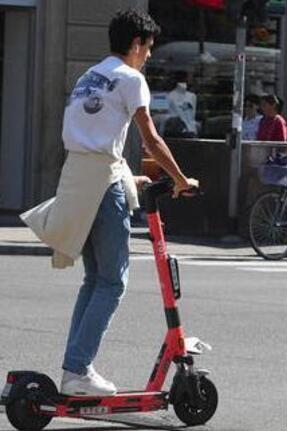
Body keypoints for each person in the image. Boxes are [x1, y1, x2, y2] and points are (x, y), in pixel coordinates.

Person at [20, 9, 199, 396]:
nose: (149, 56)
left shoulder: (89, 76)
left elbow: (89, 138)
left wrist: (126, 172)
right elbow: (151, 139)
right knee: (113, 282)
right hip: (103, 187)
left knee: (94, 279)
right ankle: (78, 370)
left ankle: (74, 368)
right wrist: (181, 180)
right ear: (136, 44)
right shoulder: (131, 79)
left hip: (77, 182)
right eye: (148, 49)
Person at [164, 70, 197, 137]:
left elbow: (192, 116)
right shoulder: (169, 96)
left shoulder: (192, 96)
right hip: (176, 131)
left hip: (191, 131)